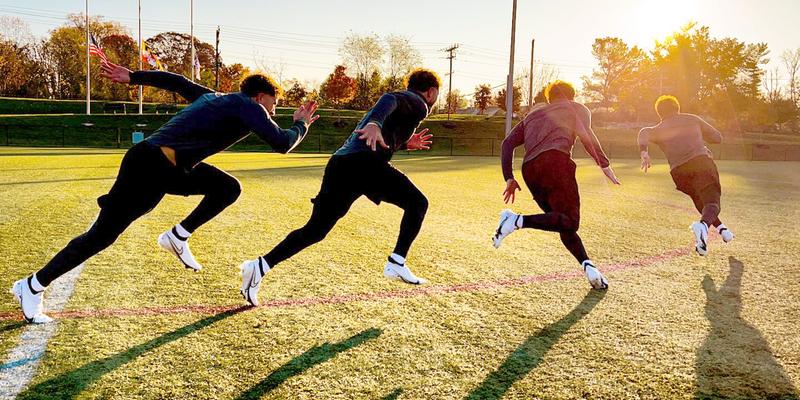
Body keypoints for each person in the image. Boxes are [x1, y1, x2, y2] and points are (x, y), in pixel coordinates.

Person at [10, 61, 319, 323]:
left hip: (168, 169)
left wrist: (133, 76)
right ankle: (33, 285)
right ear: (261, 96)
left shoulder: (213, 97)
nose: (273, 111)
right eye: (274, 104)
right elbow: (282, 142)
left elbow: (176, 81)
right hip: (149, 166)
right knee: (101, 237)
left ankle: (178, 235)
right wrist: (301, 125)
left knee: (227, 187)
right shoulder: (247, 105)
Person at [238, 68, 439, 306]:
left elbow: (382, 135)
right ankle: (397, 261)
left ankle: (258, 267)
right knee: (418, 203)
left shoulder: (407, 107)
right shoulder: (416, 102)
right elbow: (389, 100)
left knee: (315, 230)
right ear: (431, 92)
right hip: (364, 164)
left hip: (341, 165)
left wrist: (404, 143)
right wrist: (375, 122)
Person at [493, 80, 620, 290]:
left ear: (550, 98)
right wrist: (604, 165)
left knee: (561, 221)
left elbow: (507, 143)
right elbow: (586, 135)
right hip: (556, 162)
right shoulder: (576, 108)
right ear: (572, 96)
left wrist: (509, 177)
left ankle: (589, 266)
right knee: (569, 221)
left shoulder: (532, 115)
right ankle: (515, 220)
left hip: (530, 170)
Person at [638, 95, 733, 256]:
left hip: (678, 173)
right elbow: (717, 137)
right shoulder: (692, 119)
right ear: (677, 108)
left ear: (659, 113)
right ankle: (702, 226)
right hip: (701, 163)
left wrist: (644, 152)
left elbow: (643, 132)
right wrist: (699, 139)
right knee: (712, 202)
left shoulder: (657, 129)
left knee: (700, 200)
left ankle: (722, 230)